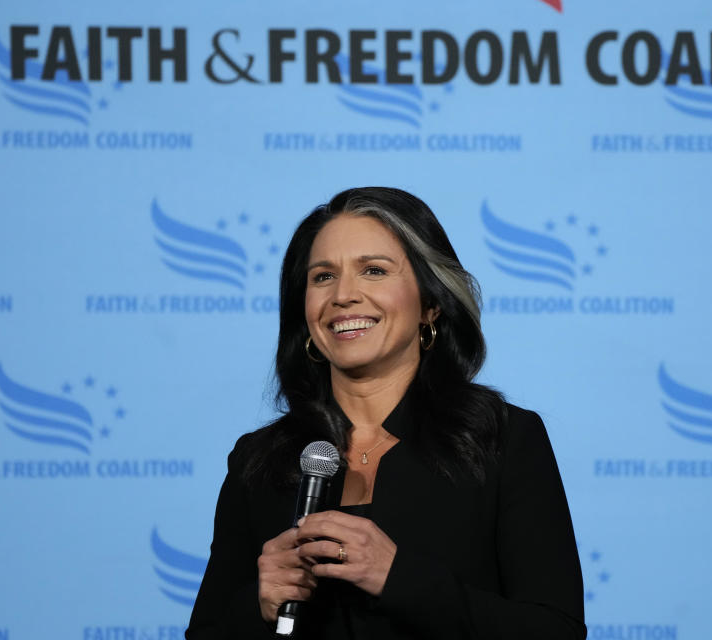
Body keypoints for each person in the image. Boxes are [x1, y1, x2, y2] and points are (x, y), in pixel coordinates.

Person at [186, 187, 585, 639]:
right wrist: (259, 605)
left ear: (430, 304)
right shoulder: (257, 460)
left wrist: (400, 579)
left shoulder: (505, 439)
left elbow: (556, 630)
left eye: (373, 271)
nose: (343, 296)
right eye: (322, 277)